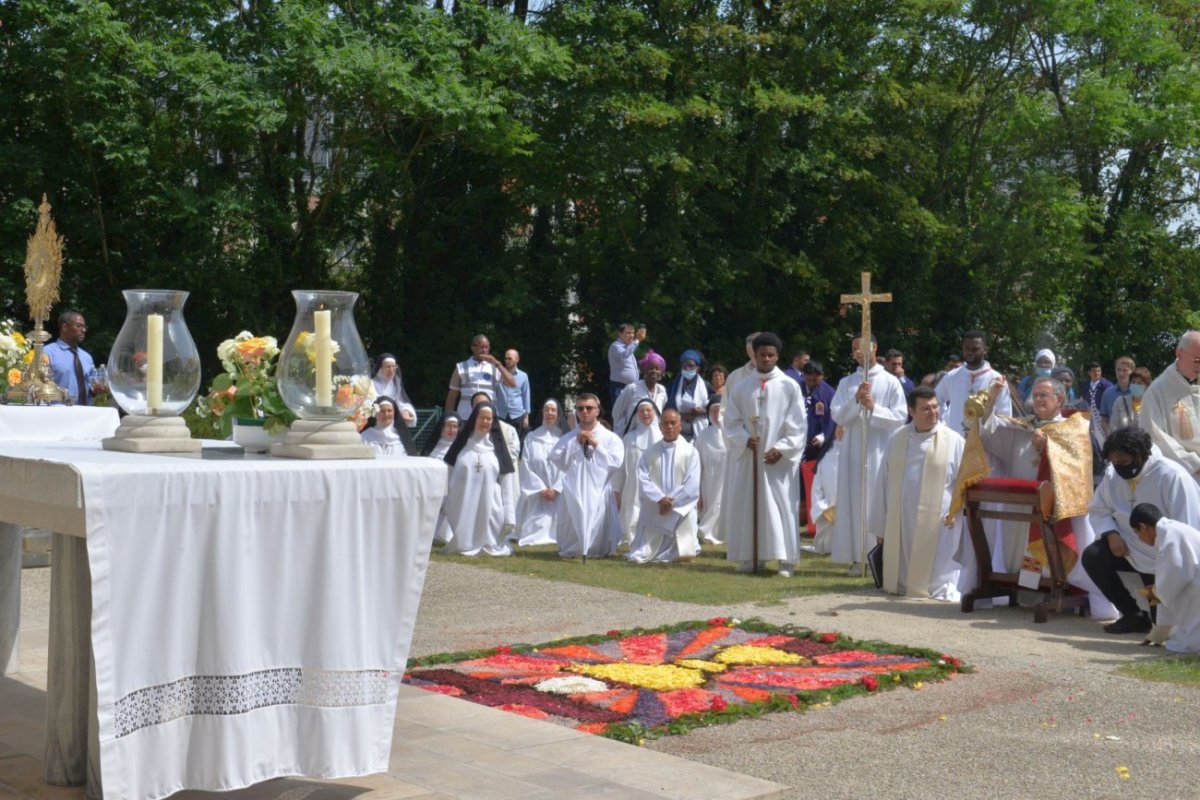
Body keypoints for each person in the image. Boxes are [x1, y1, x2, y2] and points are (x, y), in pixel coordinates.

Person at [979, 376, 1109, 613]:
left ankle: (1052, 594)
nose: (1037, 399)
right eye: (1035, 395)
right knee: (1020, 553)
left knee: (1045, 552)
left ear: (1059, 399)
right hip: (1020, 507)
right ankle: (1024, 592)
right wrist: (992, 401)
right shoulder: (1021, 427)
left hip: (1055, 509)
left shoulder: (1072, 429)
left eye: (1043, 395)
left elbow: (1079, 466)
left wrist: (1049, 446)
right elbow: (988, 433)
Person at [1085, 427, 1200, 633]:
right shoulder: (1113, 475)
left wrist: (1163, 550)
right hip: (1128, 547)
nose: (1118, 467)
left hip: (1163, 556)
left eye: (1124, 462)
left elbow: (1188, 527)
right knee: (1093, 556)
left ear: (1139, 455)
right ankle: (1133, 614)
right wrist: (1111, 534)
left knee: (1164, 627)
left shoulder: (1172, 476)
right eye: (1114, 462)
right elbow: (1098, 508)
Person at [722, 332, 807, 576]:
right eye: (762, 355)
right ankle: (750, 557)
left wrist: (781, 449)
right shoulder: (742, 387)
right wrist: (744, 439)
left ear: (777, 356)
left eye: (771, 355)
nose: (766, 359)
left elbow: (798, 425)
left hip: (777, 460)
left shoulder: (789, 386)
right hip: (750, 456)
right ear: (754, 355)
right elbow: (731, 421)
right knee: (748, 504)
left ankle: (785, 560)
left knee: (781, 506)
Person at [874, 387, 965, 600]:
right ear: (911, 411)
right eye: (925, 409)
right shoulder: (897, 439)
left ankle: (937, 587)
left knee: (937, 568)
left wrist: (957, 510)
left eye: (935, 407)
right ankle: (904, 583)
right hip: (901, 515)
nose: (933, 413)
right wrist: (880, 525)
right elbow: (883, 482)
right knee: (904, 562)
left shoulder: (953, 441)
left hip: (939, 519)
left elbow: (964, 482)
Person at [830, 336, 908, 572]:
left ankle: (878, 555)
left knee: (877, 501)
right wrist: (855, 400)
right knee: (854, 501)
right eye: (854, 349)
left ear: (875, 347)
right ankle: (857, 556)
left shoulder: (890, 382)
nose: (858, 353)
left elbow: (900, 417)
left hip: (879, 450)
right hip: (853, 452)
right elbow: (838, 416)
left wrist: (874, 407)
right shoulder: (847, 383)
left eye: (863, 348)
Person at [549, 393, 624, 558]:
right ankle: (574, 549)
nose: (585, 412)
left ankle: (596, 549)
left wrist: (596, 446)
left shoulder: (610, 438)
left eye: (589, 408)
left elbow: (615, 463)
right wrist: (575, 443)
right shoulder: (568, 437)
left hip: (599, 490)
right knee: (572, 528)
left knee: (598, 528)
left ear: (597, 411)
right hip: (574, 491)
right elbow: (556, 458)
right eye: (580, 408)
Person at [627, 409, 702, 563]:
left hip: (680, 507)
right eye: (665, 423)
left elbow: (692, 484)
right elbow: (643, 478)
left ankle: (678, 550)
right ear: (660, 427)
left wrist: (670, 502)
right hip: (656, 505)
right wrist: (660, 499)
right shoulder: (650, 452)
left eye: (673, 423)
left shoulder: (691, 452)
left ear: (680, 426)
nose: (669, 427)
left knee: (685, 521)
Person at [442, 402, 516, 556]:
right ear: (474, 419)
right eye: (482, 418)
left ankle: (489, 543)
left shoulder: (498, 450)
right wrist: (445, 501)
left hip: (490, 503)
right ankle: (463, 542)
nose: (485, 422)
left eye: (489, 419)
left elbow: (507, 481)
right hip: (463, 502)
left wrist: (509, 513)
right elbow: (448, 475)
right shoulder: (461, 448)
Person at [1130, 504, 1200, 654]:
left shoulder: (1170, 538)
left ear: (1143, 527)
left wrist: (1154, 591)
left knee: (1184, 645)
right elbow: (1169, 585)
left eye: (1137, 533)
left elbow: (1172, 581)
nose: (1139, 539)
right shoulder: (1174, 531)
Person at [1142, 330, 1200, 481]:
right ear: (1180, 354)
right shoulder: (1157, 391)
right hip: (1183, 475)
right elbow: (1156, 437)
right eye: (1197, 360)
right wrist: (1194, 464)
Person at [935, 330, 1011, 437]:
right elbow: (935, 400)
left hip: (985, 446)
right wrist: (943, 423)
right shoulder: (952, 377)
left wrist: (986, 426)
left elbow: (1005, 417)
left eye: (975, 349)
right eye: (967, 348)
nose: (970, 352)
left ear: (985, 350)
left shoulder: (997, 380)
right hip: (956, 443)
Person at [512, 399, 567, 547]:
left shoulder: (564, 438)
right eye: (546, 409)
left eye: (553, 410)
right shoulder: (532, 437)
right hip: (537, 493)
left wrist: (556, 489)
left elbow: (569, 467)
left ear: (558, 414)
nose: (549, 413)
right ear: (542, 413)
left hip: (559, 493)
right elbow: (526, 465)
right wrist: (541, 488)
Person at [613, 399, 663, 546]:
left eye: (649, 410)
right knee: (633, 514)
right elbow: (621, 467)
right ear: (636, 415)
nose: (645, 414)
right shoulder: (628, 439)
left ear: (655, 413)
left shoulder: (662, 437)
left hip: (656, 485)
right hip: (633, 486)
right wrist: (616, 489)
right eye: (642, 411)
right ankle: (633, 539)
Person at [445, 334, 517, 419]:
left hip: (488, 418)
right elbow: (452, 395)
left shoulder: (495, 367)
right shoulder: (461, 367)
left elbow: (512, 384)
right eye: (481, 347)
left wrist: (498, 364)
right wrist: (448, 417)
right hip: (466, 417)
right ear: (473, 347)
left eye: (486, 347)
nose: (484, 350)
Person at [45, 310, 94, 405]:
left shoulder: (86, 357)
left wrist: (96, 389)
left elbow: (90, 387)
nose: (84, 330)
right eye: (79, 326)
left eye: (84, 327)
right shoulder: (47, 353)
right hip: (57, 413)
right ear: (64, 327)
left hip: (85, 414)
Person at [695, 397, 727, 545]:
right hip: (709, 481)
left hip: (728, 480)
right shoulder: (703, 435)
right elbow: (697, 465)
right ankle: (707, 532)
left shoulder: (733, 433)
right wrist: (698, 493)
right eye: (713, 411)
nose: (716, 414)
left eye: (719, 411)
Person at [611, 350, 668, 432]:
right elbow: (617, 412)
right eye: (651, 368)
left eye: (657, 369)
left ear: (661, 372)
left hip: (655, 438)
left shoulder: (661, 390)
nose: (654, 371)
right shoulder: (632, 388)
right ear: (644, 370)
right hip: (632, 438)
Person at [664, 349, 711, 441]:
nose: (687, 368)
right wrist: (681, 415)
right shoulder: (672, 386)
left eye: (691, 366)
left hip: (700, 433)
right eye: (684, 365)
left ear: (698, 368)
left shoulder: (706, 386)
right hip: (677, 433)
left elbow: (716, 408)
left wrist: (703, 411)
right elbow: (665, 409)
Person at [495, 348, 532, 447]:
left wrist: (526, 416)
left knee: (516, 442)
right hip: (501, 413)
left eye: (510, 358)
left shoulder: (523, 376)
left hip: (517, 414)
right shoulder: (498, 374)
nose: (507, 361)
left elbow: (526, 395)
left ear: (517, 359)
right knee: (500, 441)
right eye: (505, 358)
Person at [800, 361, 836, 463]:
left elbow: (833, 419)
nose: (811, 383)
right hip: (798, 439)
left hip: (817, 444)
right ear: (803, 376)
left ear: (822, 376)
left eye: (815, 380)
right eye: (808, 379)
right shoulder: (797, 389)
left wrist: (822, 437)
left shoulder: (830, 394)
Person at [370, 353, 417, 428]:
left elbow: (401, 402)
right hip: (374, 424)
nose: (392, 370)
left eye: (394, 367)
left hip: (393, 425)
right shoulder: (370, 383)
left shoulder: (395, 385)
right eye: (388, 367)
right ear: (380, 368)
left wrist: (406, 411)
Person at [607, 323, 646, 407]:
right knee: (620, 412)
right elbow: (624, 355)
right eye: (628, 333)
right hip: (620, 386)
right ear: (620, 334)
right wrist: (637, 340)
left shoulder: (628, 347)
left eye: (633, 333)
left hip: (632, 386)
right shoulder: (616, 346)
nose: (631, 336)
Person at [1107, 366, 1152, 434]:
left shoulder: (1152, 403)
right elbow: (1113, 427)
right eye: (1133, 382)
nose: (1135, 385)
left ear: (1147, 385)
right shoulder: (1120, 401)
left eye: (1139, 383)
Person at [1100, 357, 1137, 435]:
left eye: (1125, 370)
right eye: (1118, 370)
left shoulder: (1138, 391)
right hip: (1115, 439)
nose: (1121, 374)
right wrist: (1109, 434)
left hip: (1135, 438)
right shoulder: (1108, 393)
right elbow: (1104, 419)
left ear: (1132, 372)